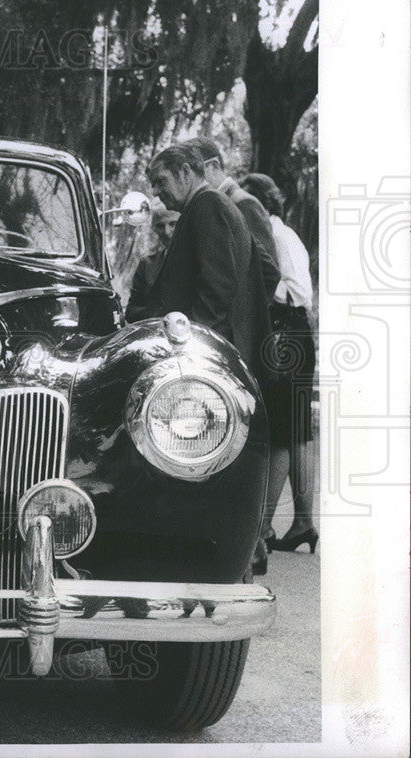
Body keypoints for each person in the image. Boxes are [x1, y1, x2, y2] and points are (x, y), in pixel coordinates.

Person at [146, 143, 275, 575]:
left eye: (161, 181)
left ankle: (230, 556)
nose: (157, 193)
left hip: (208, 359)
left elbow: (216, 288)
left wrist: (190, 347)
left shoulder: (209, 207)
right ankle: (238, 552)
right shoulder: (205, 207)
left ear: (186, 171)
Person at [240, 172, 318, 554]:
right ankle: (303, 521)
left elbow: (297, 292)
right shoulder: (287, 235)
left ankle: (264, 526)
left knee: (282, 432)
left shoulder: (276, 238)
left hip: (287, 330)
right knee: (299, 430)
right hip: (296, 332)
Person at [184, 137, 280, 299]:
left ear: (213, 166)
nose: (187, 182)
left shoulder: (244, 203)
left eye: (191, 172)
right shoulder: (210, 205)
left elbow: (267, 275)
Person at [125, 205, 179, 322]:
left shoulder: (199, 260)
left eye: (173, 224)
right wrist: (154, 313)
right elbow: (131, 312)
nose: (167, 232)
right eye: (160, 226)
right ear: (154, 229)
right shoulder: (147, 264)